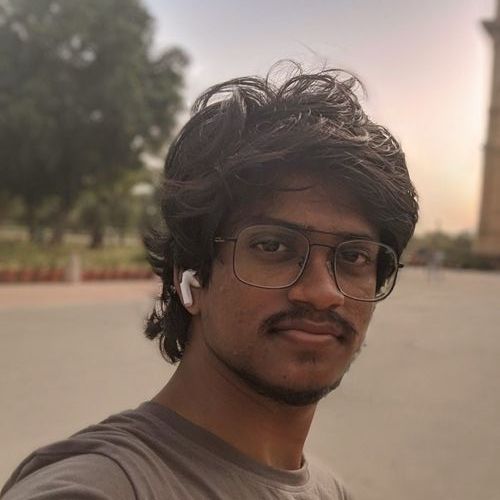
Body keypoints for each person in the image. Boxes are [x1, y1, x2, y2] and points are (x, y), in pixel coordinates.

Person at [1, 63, 418, 499]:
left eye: (354, 256)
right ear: (191, 273)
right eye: (273, 246)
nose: (322, 292)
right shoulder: (100, 488)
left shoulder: (331, 491)